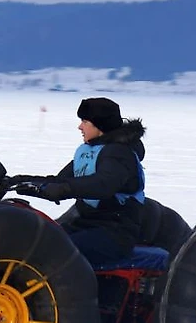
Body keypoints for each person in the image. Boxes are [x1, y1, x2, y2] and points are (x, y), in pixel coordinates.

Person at [13, 97, 148, 266]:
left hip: (113, 233)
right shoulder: (91, 151)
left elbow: (103, 184)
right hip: (85, 225)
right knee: (39, 242)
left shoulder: (120, 154)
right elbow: (60, 181)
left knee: (54, 251)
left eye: (85, 121)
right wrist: (16, 182)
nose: (80, 127)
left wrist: (63, 189)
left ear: (100, 125)